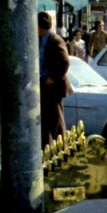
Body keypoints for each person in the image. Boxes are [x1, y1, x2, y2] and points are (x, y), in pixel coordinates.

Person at [37, 12, 72, 149]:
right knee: (44, 122)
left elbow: (65, 62)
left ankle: (61, 150)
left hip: (53, 87)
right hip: (43, 84)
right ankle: (46, 150)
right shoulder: (40, 39)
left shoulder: (55, 40)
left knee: (56, 121)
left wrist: (54, 78)